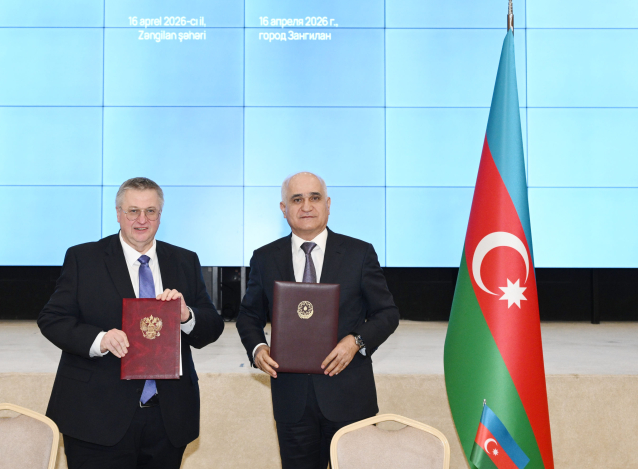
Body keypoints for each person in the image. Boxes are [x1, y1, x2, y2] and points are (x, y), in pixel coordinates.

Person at [39, 177, 224, 469]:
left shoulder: (184, 260)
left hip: (167, 419)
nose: (142, 220)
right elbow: (52, 319)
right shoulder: (84, 258)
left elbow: (212, 326)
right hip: (96, 417)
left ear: (160, 215)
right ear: (118, 213)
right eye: (133, 211)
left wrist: (186, 315)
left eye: (150, 211)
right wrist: (100, 340)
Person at [237, 172, 400, 469]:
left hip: (350, 395)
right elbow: (249, 315)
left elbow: (387, 313)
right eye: (296, 199)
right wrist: (258, 348)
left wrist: (356, 341)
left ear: (328, 204)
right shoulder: (265, 257)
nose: (306, 206)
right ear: (283, 208)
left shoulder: (359, 253)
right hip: (292, 401)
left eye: (314, 198)